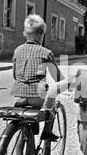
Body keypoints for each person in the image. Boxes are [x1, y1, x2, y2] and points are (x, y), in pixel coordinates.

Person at [11, 14, 64, 142]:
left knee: (23, 123)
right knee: (53, 104)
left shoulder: (18, 50)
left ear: (25, 33)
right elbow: (57, 77)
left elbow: (14, 75)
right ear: (41, 35)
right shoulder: (45, 52)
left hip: (19, 96)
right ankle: (47, 132)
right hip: (38, 97)